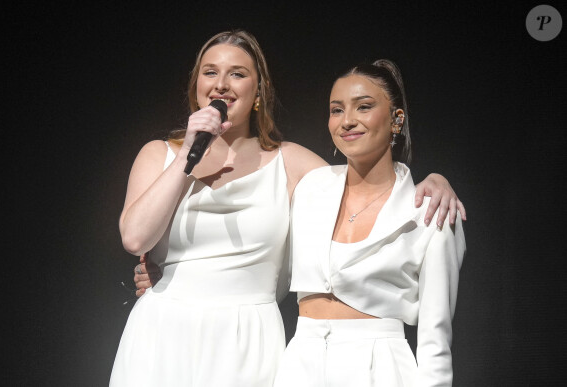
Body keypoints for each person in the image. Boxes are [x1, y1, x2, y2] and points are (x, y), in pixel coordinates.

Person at [113, 29, 465, 387]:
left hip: (247, 336)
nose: (221, 84)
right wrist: (187, 153)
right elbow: (135, 238)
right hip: (161, 329)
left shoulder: (292, 164)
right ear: (195, 84)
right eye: (209, 72)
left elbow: (367, 180)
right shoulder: (159, 154)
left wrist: (435, 179)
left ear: (259, 91)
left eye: (237, 73)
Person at [271, 60, 466, 386]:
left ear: (396, 119)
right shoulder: (310, 189)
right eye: (336, 110)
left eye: (364, 107)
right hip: (300, 364)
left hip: (380, 368)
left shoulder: (430, 212)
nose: (347, 121)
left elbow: (436, 340)